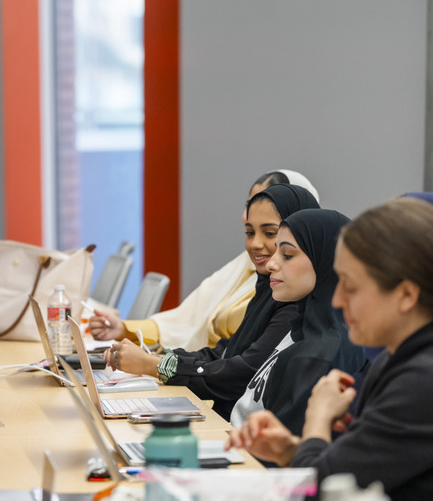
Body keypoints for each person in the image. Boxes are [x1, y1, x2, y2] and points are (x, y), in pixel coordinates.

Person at [227, 198, 433, 500]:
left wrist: (318, 419)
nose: (337, 300)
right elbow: (349, 469)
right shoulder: (395, 359)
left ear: (405, 295)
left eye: (351, 286)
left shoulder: (420, 382)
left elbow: (322, 487)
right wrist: (290, 451)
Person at [102, 184, 318, 420]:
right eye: (249, 233)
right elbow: (225, 352)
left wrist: (154, 366)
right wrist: (155, 359)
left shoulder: (296, 302)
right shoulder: (268, 289)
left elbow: (245, 373)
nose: (255, 244)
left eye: (269, 233)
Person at [90, 169, 320, 351]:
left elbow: (247, 364)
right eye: (249, 204)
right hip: (206, 370)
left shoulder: (291, 291)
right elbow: (183, 321)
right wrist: (125, 330)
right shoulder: (243, 266)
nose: (249, 215)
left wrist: (164, 367)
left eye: (266, 204)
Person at [229, 208, 365, 435]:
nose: (271, 264)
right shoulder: (302, 327)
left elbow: (280, 447)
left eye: (287, 255)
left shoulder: (318, 354)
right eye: (276, 252)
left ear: (326, 261)